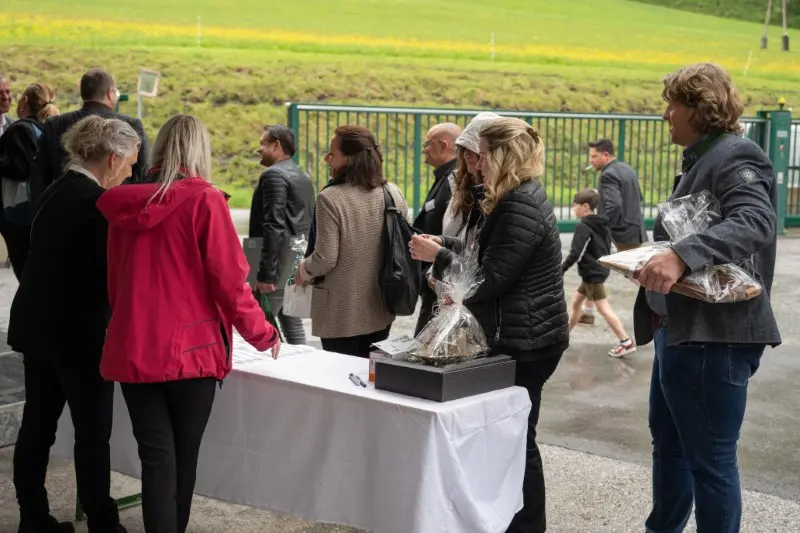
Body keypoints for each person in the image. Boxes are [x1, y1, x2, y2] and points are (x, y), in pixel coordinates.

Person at [97, 114, 281, 533]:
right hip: (191, 352)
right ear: (200, 149)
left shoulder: (123, 204)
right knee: (182, 461)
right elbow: (230, 283)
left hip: (133, 346)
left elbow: (115, 285)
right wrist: (263, 333)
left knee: (156, 460)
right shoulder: (205, 200)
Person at [633, 63, 781, 533]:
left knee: (711, 461)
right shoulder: (704, 157)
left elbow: (756, 221)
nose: (665, 115)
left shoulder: (737, 154)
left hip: (714, 338)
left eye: (672, 105)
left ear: (700, 108)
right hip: (680, 331)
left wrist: (681, 255)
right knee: (670, 447)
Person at [409, 117, 569, 533]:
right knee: (507, 438)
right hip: (521, 335)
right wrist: (447, 244)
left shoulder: (519, 203)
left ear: (502, 156)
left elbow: (491, 277)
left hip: (526, 342)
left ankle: (526, 525)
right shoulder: (511, 196)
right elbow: (485, 251)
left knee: (517, 440)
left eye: (481, 156)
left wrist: (439, 259)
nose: (474, 165)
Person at [8, 116, 141, 533]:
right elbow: (108, 273)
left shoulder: (56, 189)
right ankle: (102, 521)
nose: (130, 174)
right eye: (130, 164)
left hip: (38, 325)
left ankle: (33, 516)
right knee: (92, 433)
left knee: (37, 427)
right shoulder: (96, 202)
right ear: (113, 159)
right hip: (78, 334)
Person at [295, 126, 409, 358]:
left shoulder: (330, 197)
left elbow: (325, 258)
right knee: (371, 372)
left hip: (341, 311)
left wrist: (303, 270)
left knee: (341, 374)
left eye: (332, 154)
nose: (326, 159)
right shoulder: (392, 192)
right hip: (381, 306)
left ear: (349, 159)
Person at [29, 68, 148, 208]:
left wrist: (38, 211)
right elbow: (144, 173)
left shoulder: (55, 124)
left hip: (65, 206)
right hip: (118, 208)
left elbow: (39, 176)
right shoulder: (131, 126)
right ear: (110, 93)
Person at [249, 124, 315, 344]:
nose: (259, 149)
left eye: (263, 144)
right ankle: (299, 363)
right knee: (292, 323)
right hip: (297, 257)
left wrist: (266, 274)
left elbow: (273, 225)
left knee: (260, 326)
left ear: (276, 145)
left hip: (277, 263)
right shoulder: (303, 176)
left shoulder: (274, 176)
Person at [580, 139, 647, 325]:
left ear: (605, 155)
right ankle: (587, 311)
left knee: (635, 273)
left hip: (620, 231)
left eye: (594, 156)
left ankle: (660, 300)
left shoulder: (608, 174)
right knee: (594, 263)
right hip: (634, 227)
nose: (591, 160)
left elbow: (614, 205)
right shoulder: (627, 169)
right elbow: (639, 197)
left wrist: (600, 225)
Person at [562, 189, 635, 357]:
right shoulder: (602, 224)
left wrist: (561, 269)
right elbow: (611, 248)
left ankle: (625, 341)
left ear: (585, 207)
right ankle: (564, 337)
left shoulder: (583, 227)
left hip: (592, 275)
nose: (573, 209)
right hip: (597, 271)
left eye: (575, 205)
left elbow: (576, 253)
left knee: (603, 308)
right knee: (576, 302)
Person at [0, 83, 59, 279]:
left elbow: (20, 169)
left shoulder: (20, 128)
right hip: (38, 206)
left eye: (9, 92)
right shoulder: (48, 127)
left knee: (25, 269)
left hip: (19, 210)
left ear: (24, 101)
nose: (7, 97)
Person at [413, 122, 461, 335]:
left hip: (441, 278)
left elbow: (457, 231)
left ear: (443, 145)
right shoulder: (446, 176)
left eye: (427, 144)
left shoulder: (455, 179)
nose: (424, 149)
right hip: (434, 276)